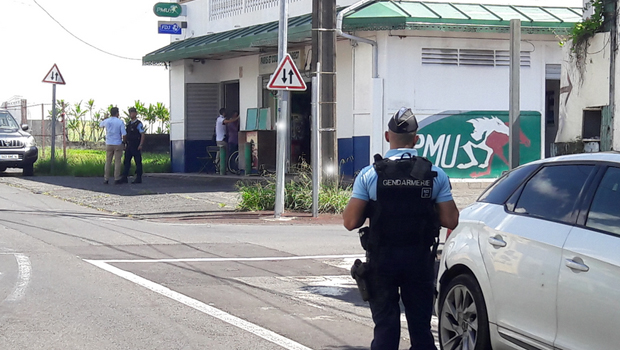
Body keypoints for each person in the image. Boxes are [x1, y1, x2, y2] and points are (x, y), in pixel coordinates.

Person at [342, 107, 459, 350]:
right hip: (419, 259)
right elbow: (451, 221)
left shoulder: (370, 174)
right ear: (416, 140)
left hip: (382, 259)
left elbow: (350, 222)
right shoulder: (435, 174)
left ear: (387, 137)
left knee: (385, 327)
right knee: (420, 328)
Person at [99, 107, 127, 185]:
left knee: (108, 161)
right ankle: (116, 178)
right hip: (117, 143)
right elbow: (124, 134)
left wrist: (104, 118)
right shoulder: (120, 122)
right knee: (117, 161)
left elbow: (100, 125)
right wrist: (124, 142)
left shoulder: (107, 121)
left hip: (109, 143)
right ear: (117, 113)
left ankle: (106, 178)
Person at [120, 107, 145, 184]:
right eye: (130, 113)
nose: (131, 114)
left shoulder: (138, 124)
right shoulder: (129, 124)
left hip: (136, 145)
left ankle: (138, 177)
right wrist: (124, 144)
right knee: (126, 161)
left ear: (136, 113)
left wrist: (141, 144)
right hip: (129, 145)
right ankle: (124, 177)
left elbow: (142, 134)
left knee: (138, 162)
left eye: (133, 113)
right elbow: (126, 135)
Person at [214, 107, 227, 172]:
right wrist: (236, 118)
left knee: (219, 154)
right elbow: (226, 122)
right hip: (221, 139)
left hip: (219, 139)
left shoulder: (218, 119)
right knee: (222, 154)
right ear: (223, 113)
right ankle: (219, 167)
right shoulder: (220, 119)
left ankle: (219, 167)